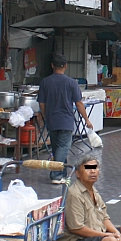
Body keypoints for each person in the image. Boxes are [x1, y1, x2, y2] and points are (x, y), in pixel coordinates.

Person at [38, 54, 93, 184]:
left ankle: (62, 173)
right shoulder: (71, 83)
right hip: (66, 120)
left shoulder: (45, 82)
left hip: (52, 119)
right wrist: (87, 119)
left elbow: (41, 103)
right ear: (66, 66)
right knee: (63, 147)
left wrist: (46, 116)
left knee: (57, 148)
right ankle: (56, 175)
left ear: (52, 65)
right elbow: (79, 103)